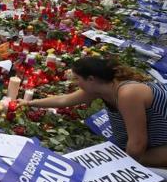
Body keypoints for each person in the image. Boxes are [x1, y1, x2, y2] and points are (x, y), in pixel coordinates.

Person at [22, 57, 167, 168]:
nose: (75, 83)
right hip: (152, 142)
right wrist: (30, 103)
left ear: (91, 79)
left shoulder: (128, 94)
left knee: (126, 160)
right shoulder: (101, 88)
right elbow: (64, 100)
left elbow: (137, 143)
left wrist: (123, 167)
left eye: (77, 79)